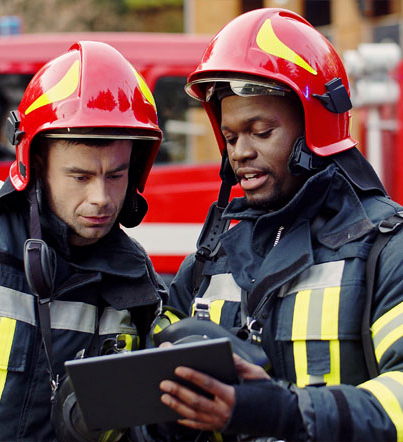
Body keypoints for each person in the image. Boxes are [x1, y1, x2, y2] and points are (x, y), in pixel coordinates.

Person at [156, 8, 403, 442]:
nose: (241, 152)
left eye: (261, 130)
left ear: (315, 126)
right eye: (231, 137)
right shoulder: (211, 258)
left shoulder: (386, 250)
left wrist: (285, 413)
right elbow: (153, 370)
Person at [0, 40, 167, 441]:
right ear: (36, 164)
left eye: (116, 175)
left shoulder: (140, 287)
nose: (101, 199)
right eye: (80, 176)